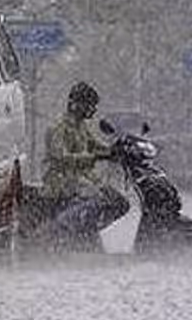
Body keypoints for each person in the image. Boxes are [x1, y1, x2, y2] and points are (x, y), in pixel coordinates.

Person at [41, 81, 129, 252]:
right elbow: (61, 158)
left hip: (81, 181)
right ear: (77, 105)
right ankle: (60, 229)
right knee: (99, 197)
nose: (92, 110)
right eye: (89, 105)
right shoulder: (59, 127)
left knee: (119, 201)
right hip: (61, 183)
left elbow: (96, 145)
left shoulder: (82, 126)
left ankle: (86, 229)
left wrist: (114, 150)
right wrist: (92, 158)